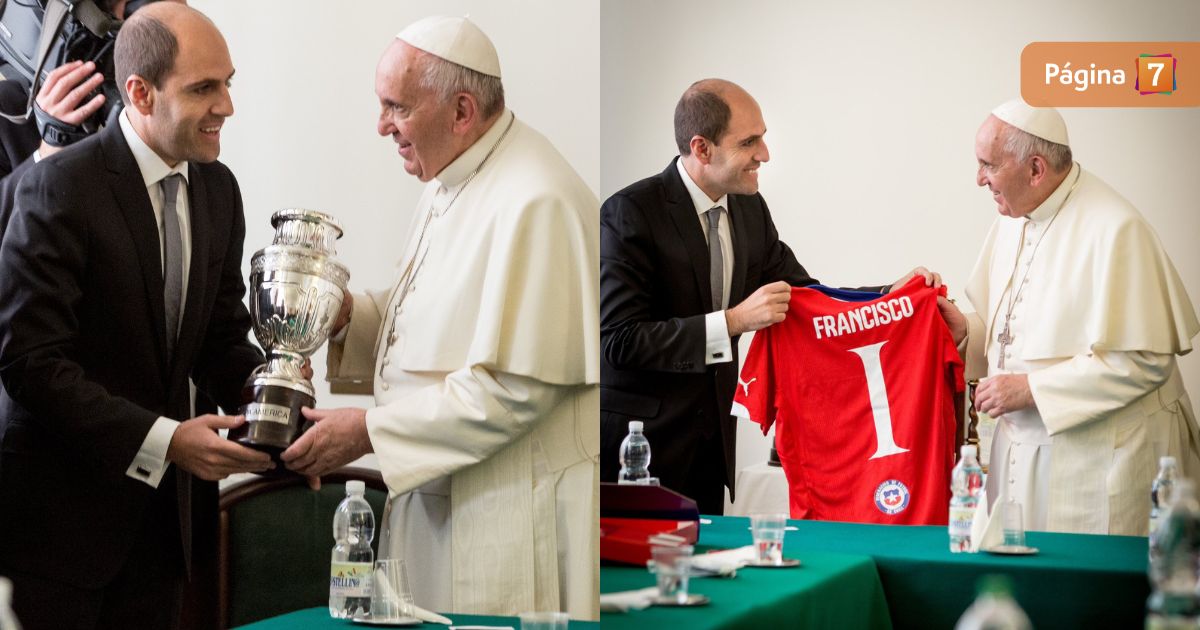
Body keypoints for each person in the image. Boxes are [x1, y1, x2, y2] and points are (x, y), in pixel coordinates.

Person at [279, 16, 599, 619]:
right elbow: (430, 319)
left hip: (502, 510)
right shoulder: (451, 173)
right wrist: (346, 315)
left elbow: (514, 388)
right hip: (436, 497)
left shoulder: (537, 198)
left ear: (460, 110)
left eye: (395, 107)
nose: (382, 127)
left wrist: (369, 431)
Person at [0, 4, 273, 628]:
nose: (226, 106)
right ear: (140, 93)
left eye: (229, 83)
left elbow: (222, 339)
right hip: (55, 540)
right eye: (205, 88)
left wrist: (280, 414)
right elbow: (31, 365)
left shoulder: (218, 189)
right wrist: (169, 440)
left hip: (163, 536)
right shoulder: (58, 187)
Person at [600, 78, 945, 515]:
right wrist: (734, 322)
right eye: (750, 142)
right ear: (702, 148)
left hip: (711, 451)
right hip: (639, 454)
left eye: (763, 138)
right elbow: (619, 340)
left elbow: (803, 294)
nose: (765, 154)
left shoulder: (749, 207)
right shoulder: (628, 213)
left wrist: (888, 294)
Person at [939, 98, 1199, 536]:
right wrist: (968, 330)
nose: (979, 179)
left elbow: (1145, 360)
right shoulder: (1013, 214)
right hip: (1023, 451)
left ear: (1036, 169)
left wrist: (1031, 388)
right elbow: (1017, 332)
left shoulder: (1115, 228)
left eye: (988, 165)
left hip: (1101, 457)